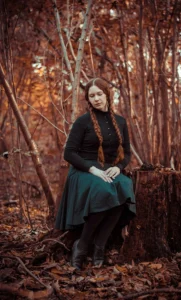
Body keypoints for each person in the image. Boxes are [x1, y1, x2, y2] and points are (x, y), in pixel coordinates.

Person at [55, 78, 136, 270]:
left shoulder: (120, 121)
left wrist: (119, 167)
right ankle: (82, 245)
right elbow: (69, 153)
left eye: (99, 94)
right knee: (104, 190)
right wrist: (93, 170)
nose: (96, 98)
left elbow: (127, 152)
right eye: (92, 96)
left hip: (108, 169)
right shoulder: (83, 122)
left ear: (107, 94)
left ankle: (100, 245)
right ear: (88, 100)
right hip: (84, 170)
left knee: (123, 187)